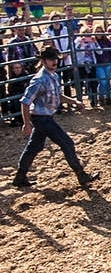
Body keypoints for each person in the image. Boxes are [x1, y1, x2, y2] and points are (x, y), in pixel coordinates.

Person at [11, 47, 99, 188]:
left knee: (34, 147)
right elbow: (25, 102)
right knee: (67, 143)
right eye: (51, 59)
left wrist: (74, 101)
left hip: (43, 117)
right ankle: (81, 176)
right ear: (43, 61)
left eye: (55, 59)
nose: (54, 62)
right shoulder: (39, 80)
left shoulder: (53, 76)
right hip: (42, 118)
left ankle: (19, 177)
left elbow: (58, 96)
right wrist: (26, 123)